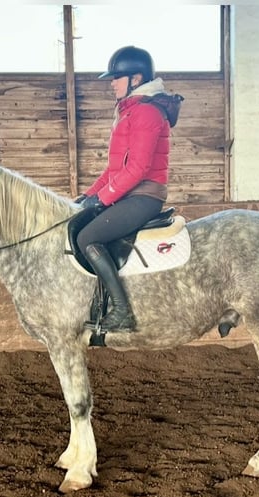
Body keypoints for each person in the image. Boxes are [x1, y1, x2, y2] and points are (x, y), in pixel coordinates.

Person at [76, 45, 178, 333]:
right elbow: (114, 170)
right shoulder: (130, 111)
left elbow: (138, 170)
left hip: (144, 196)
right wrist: (87, 196)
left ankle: (122, 312)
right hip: (129, 192)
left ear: (135, 78)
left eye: (116, 78)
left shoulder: (146, 112)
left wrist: (103, 198)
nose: (111, 83)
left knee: (88, 238)